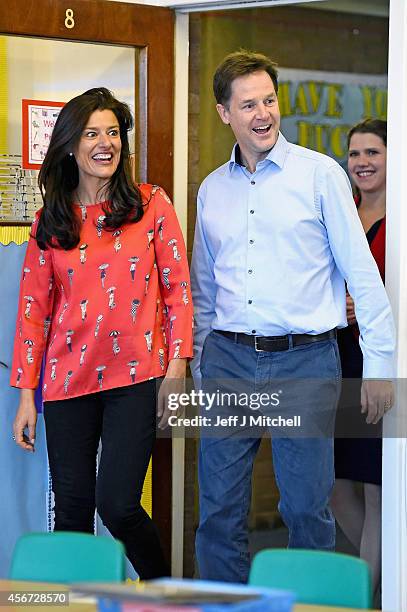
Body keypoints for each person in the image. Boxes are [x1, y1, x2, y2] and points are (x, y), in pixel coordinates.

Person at [190, 51, 395, 583]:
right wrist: (200, 366)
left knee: (305, 508)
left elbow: (363, 275)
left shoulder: (320, 175)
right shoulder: (212, 191)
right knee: (218, 512)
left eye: (269, 100)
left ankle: (309, 603)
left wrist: (379, 365)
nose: (263, 113)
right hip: (228, 361)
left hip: (305, 362)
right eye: (248, 104)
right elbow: (205, 290)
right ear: (223, 113)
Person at [10, 87, 193, 579]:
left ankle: (166, 597)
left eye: (113, 132)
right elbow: (33, 313)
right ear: (71, 144)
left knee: (117, 504)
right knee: (71, 511)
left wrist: (177, 365)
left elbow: (178, 288)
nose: (105, 143)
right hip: (66, 383)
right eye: (92, 133)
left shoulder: (151, 205)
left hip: (134, 380)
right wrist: (27, 396)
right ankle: (72, 606)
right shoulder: (51, 220)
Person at [331, 119, 387, 597]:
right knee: (330, 481)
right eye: (354, 154)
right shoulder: (342, 211)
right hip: (335, 356)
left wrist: (373, 301)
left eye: (373, 152)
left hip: (379, 361)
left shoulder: (403, 219)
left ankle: (366, 596)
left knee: (376, 487)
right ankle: (385, 573)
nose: (362, 162)